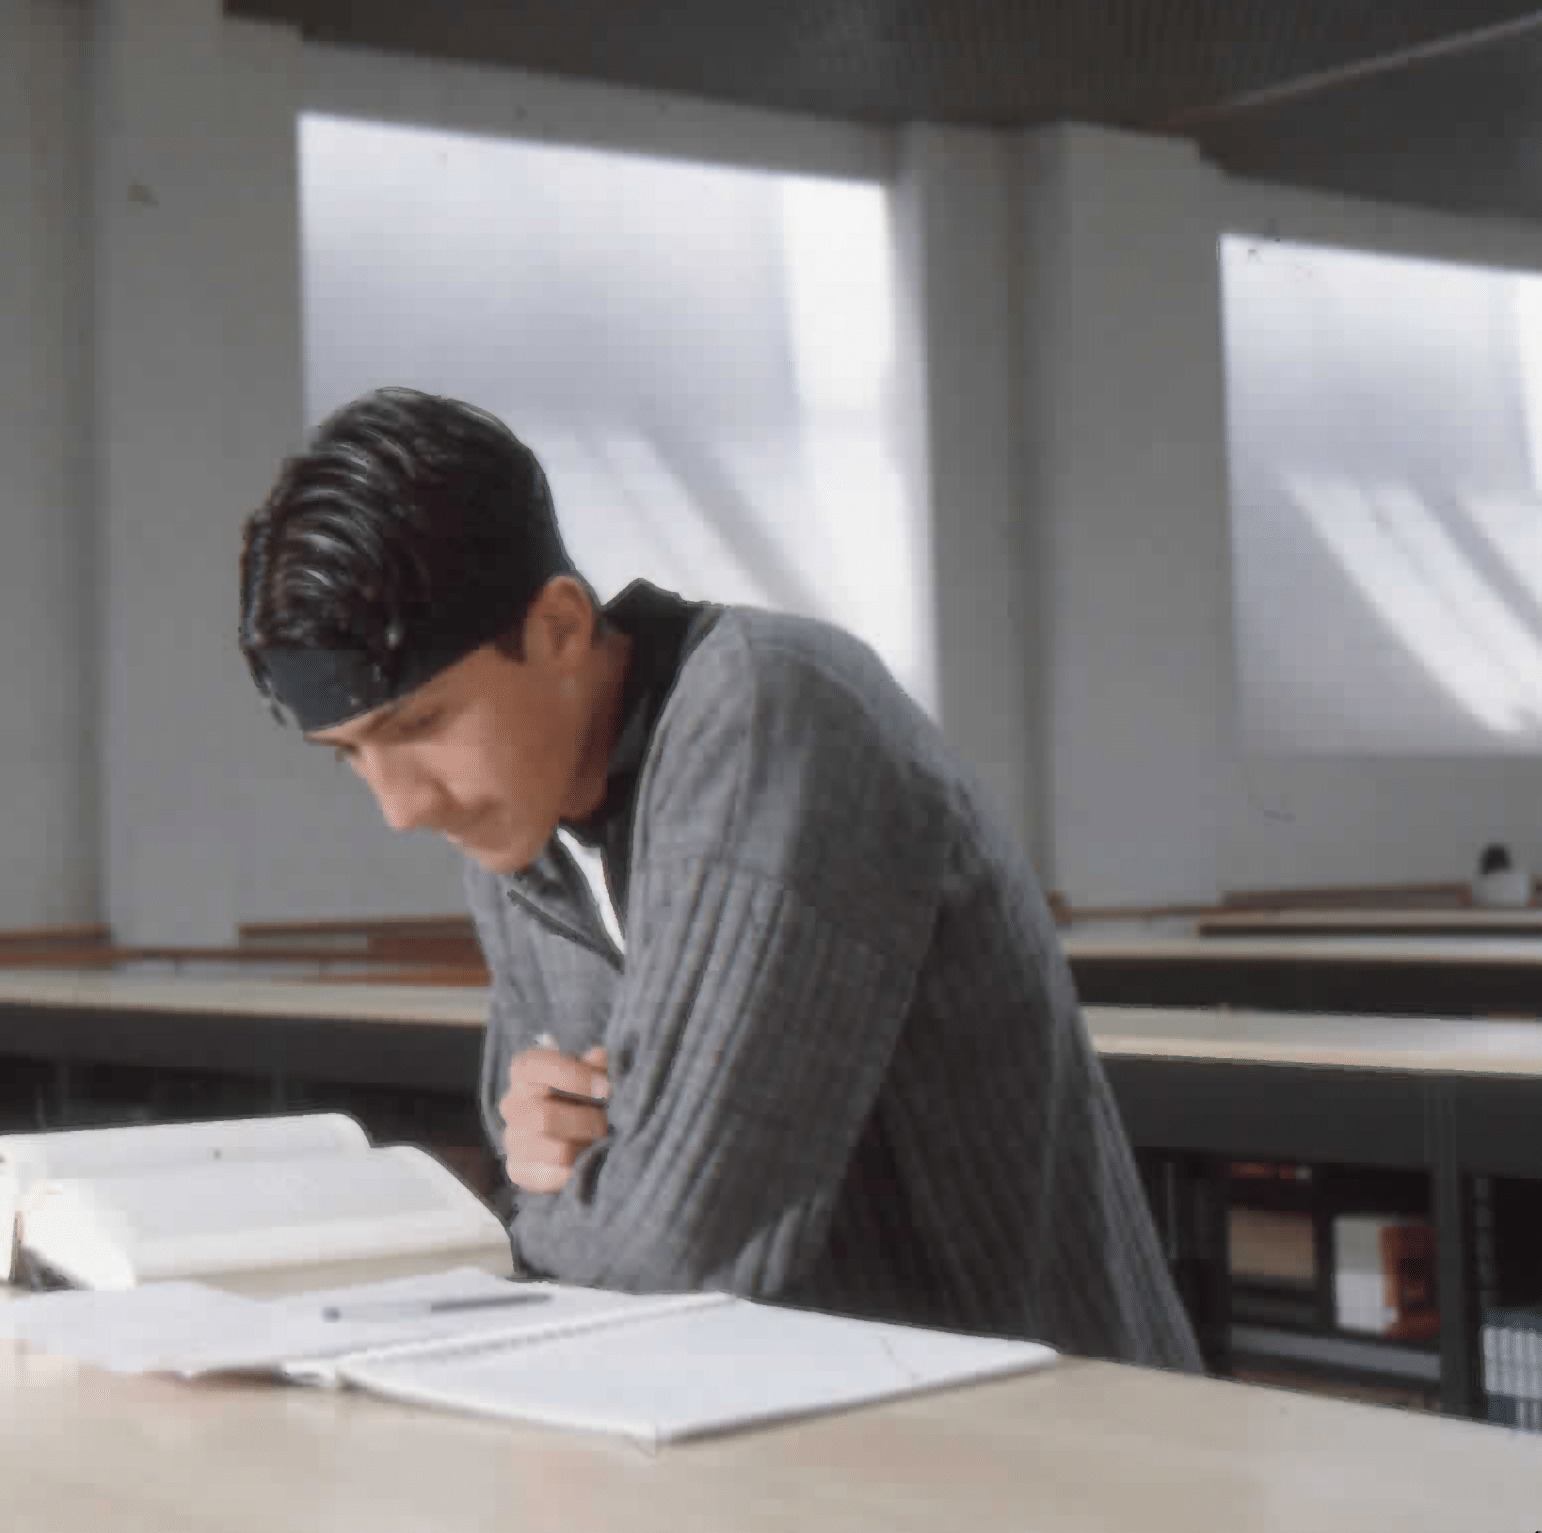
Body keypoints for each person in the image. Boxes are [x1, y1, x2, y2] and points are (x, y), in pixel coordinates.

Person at [236, 388, 1201, 1372]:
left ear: (562, 625)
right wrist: (563, 1168)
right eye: (348, 754)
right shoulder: (513, 825)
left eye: (420, 724)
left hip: (1041, 1425)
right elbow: (535, 1170)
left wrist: (571, 1193)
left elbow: (674, 1246)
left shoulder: (772, 714)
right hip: (792, 1409)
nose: (400, 805)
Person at [1473, 844, 1533, 909]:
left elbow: (1479, 901)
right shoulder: (1520, 876)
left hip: (1489, 914)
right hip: (1518, 914)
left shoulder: (1482, 883)